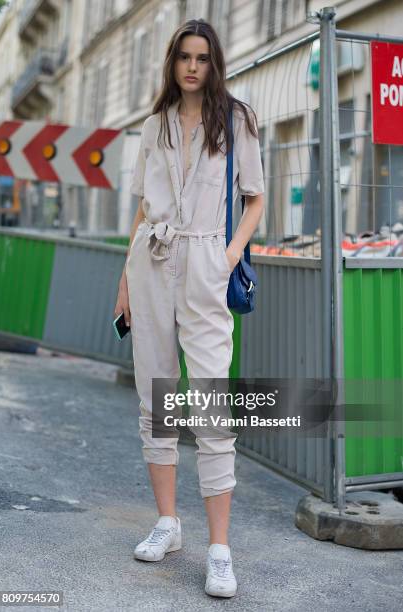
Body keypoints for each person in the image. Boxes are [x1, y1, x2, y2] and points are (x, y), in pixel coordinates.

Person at [114, 18, 264, 598]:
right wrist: (123, 279)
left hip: (205, 262)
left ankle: (220, 550)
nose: (193, 66)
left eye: (202, 56)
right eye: (184, 56)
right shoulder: (153, 126)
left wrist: (225, 258)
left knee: (209, 402)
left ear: (214, 61)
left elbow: (256, 200)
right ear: (173, 62)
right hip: (148, 260)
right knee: (154, 394)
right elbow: (140, 209)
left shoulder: (238, 119)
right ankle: (168, 524)